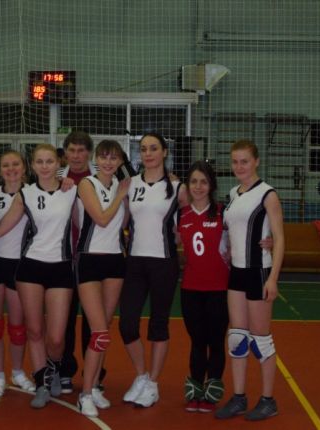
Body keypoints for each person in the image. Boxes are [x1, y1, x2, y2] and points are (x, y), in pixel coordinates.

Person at [0, 143, 77, 409]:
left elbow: (87, 221)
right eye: (40, 161)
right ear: (33, 165)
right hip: (30, 268)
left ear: (58, 163)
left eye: (50, 161)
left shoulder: (71, 190)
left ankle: (54, 367)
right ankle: (41, 382)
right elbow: (1, 228)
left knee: (57, 337)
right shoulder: (24, 194)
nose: (45, 166)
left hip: (61, 267)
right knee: (34, 330)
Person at [215, 140, 284, 421]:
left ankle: (268, 400)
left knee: (261, 341)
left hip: (259, 272)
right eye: (235, 161)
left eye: (244, 161)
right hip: (237, 272)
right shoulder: (233, 193)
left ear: (256, 161)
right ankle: (239, 397)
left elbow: (279, 239)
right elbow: (232, 229)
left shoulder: (268, 194)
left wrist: (273, 279)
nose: (239, 167)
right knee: (237, 338)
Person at [118, 131, 185, 408]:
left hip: (164, 263)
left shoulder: (178, 188)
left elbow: (198, 216)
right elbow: (117, 216)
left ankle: (153, 384)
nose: (148, 153)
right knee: (127, 324)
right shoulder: (129, 184)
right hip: (134, 262)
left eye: (154, 148)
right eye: (144, 149)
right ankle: (142, 376)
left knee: (158, 324)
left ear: (164, 152)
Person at [75, 140, 130, 417]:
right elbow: (101, 219)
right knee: (98, 332)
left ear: (120, 162)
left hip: (115, 260)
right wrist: (121, 195)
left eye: (114, 158)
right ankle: (84, 394)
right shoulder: (87, 184)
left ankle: (95, 385)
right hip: (89, 260)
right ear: (96, 159)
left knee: (104, 330)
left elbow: (123, 223)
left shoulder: (121, 186)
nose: (109, 162)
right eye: (104, 157)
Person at [178, 161, 229, 413]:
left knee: (216, 341)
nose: (198, 187)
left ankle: (212, 389)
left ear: (211, 185)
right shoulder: (181, 215)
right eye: (194, 181)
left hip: (219, 289)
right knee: (197, 341)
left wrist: (267, 240)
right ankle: (196, 387)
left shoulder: (223, 213)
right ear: (187, 185)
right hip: (190, 288)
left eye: (204, 182)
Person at [0, 150, 35, 396]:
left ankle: (17, 372)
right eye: (6, 165)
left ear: (24, 167)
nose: (11, 169)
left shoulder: (33, 194)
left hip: (20, 264)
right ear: (0, 169)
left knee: (17, 325)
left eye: (16, 164)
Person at [58, 130, 102, 394]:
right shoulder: (54, 177)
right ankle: (64, 370)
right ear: (65, 153)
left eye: (81, 150)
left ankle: (93, 374)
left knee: (92, 321)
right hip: (62, 258)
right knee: (64, 318)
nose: (76, 156)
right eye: (71, 150)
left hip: (92, 257)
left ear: (89, 153)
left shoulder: (101, 178)